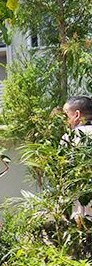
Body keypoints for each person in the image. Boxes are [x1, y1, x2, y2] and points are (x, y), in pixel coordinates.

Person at [61, 96, 92, 225]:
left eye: (66, 115)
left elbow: (63, 172)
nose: (65, 121)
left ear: (77, 115)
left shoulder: (70, 137)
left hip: (83, 208)